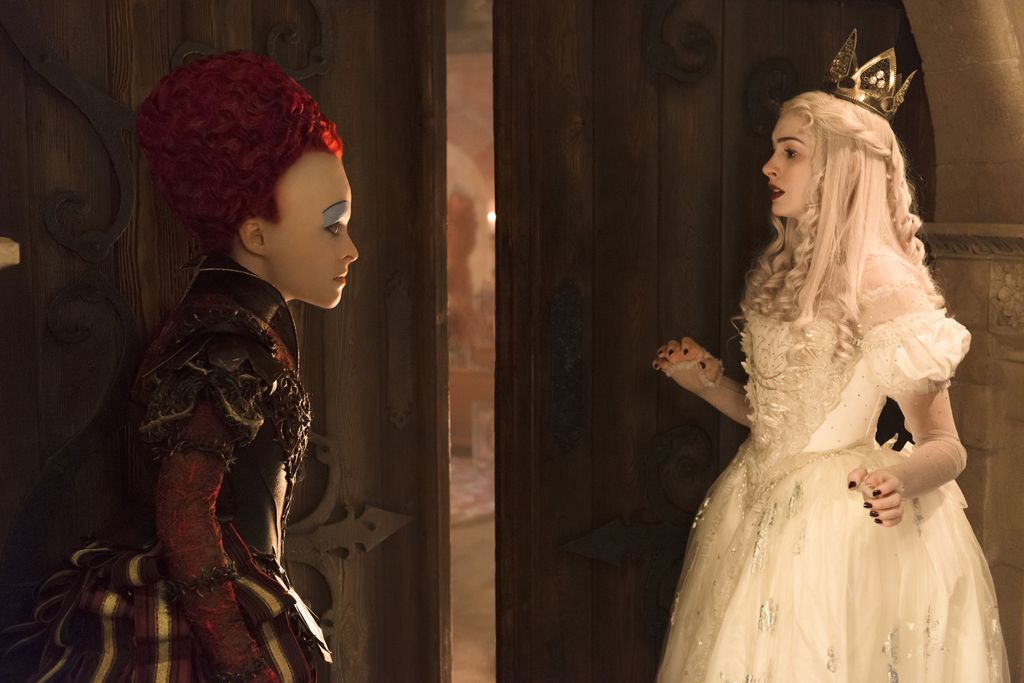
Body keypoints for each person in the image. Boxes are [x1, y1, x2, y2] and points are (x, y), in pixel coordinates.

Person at [652, 31, 1008, 682]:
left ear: (843, 166)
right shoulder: (790, 272)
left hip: (833, 532)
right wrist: (705, 381)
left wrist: (900, 481)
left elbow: (946, 445)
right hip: (754, 505)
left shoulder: (885, 283)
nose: (769, 167)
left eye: (791, 152)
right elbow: (779, 425)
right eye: (774, 151)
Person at [1, 51, 356, 682]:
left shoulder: (238, 325)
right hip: (195, 621)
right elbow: (186, 512)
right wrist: (245, 663)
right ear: (256, 236)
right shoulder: (225, 347)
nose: (351, 250)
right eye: (333, 227)